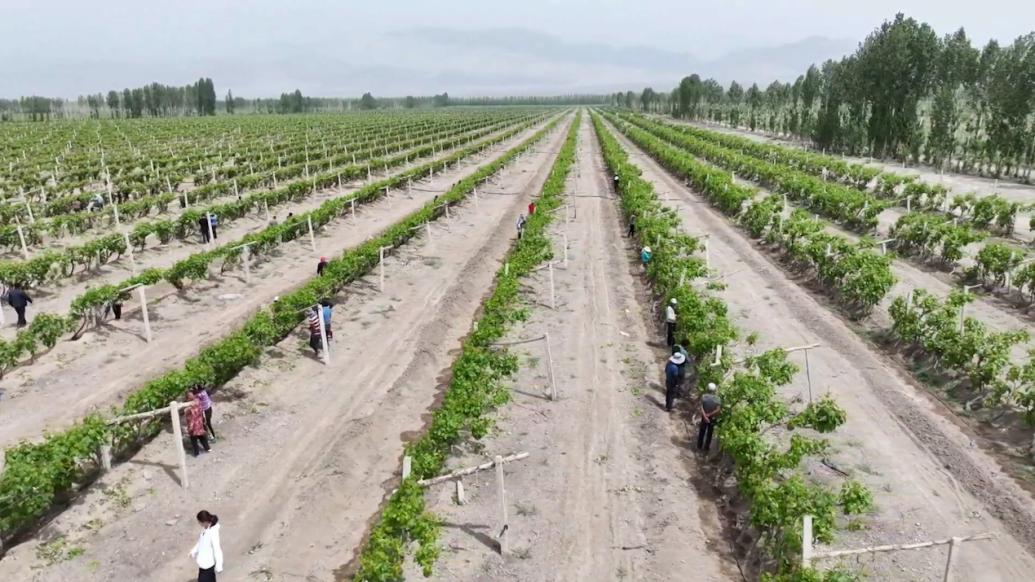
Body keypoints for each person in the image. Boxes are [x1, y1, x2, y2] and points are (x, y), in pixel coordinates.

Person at [189, 510, 223, 582]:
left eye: (200, 522)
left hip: (208, 564)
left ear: (204, 521)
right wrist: (193, 551)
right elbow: (200, 542)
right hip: (203, 563)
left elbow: (217, 549)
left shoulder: (213, 532)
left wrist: (219, 565)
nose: (199, 524)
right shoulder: (205, 528)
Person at [184, 392, 211, 456]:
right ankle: (201, 451)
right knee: (198, 437)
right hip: (195, 424)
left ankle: (199, 451)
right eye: (190, 395)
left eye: (192, 394)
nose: (192, 396)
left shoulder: (192, 403)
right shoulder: (195, 402)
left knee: (197, 438)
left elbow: (188, 413)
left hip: (195, 424)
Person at [698, 383, 722, 452]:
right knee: (709, 433)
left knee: (702, 432)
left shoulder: (704, 396)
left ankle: (699, 446)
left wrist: (705, 416)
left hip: (704, 417)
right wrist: (709, 415)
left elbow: (701, 407)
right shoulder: (717, 399)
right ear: (714, 390)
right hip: (712, 418)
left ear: (708, 389)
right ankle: (706, 447)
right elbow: (718, 410)